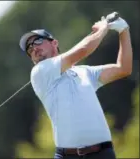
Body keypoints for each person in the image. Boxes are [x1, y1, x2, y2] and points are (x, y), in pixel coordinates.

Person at [19, 12, 133, 159]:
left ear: (54, 43)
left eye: (38, 41)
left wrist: (123, 31)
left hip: (103, 154)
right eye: (29, 48)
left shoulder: (84, 71)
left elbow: (123, 68)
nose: (33, 48)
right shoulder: (39, 71)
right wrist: (104, 27)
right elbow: (83, 50)